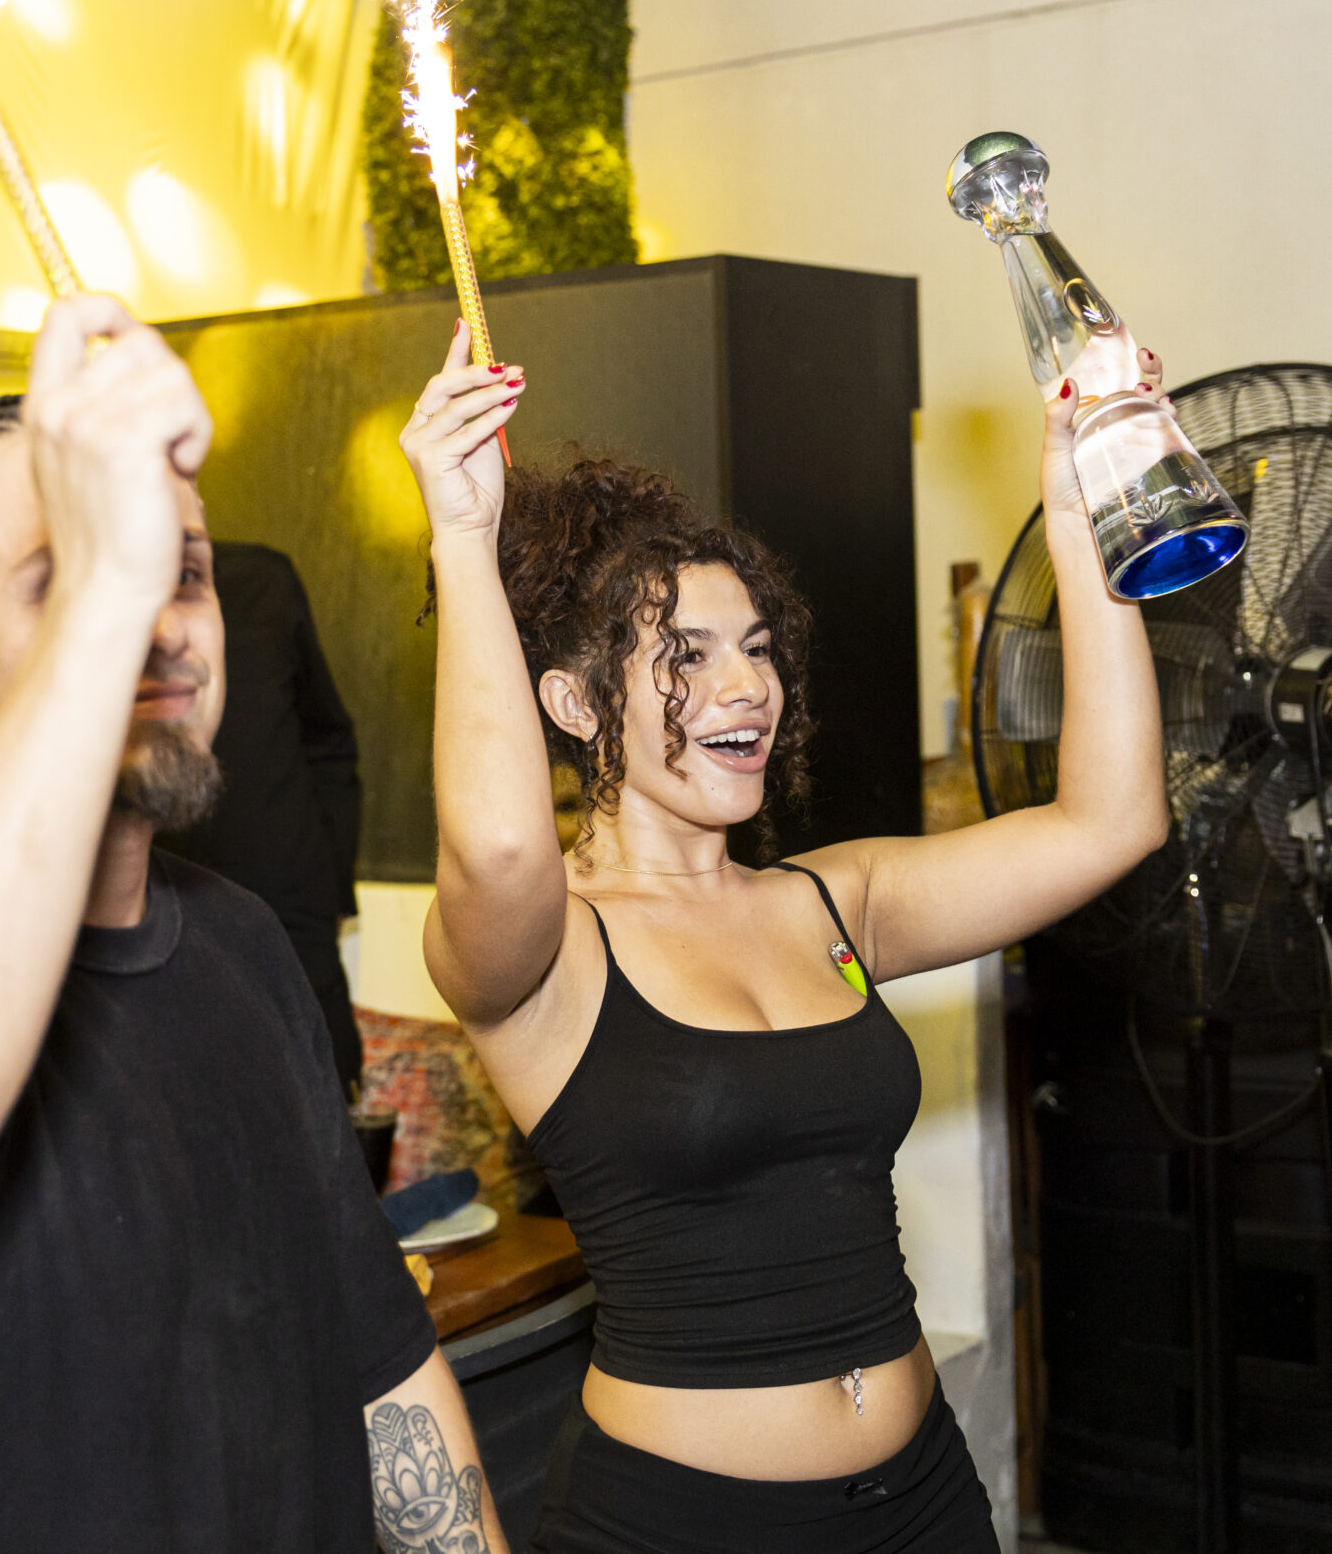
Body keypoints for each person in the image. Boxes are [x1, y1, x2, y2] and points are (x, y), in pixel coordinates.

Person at [0, 296, 507, 1554]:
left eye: (182, 571)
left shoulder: (245, 945)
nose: (160, 616)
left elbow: (381, 1367)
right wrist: (118, 591)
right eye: (72, 575)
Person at [399, 322, 1168, 1552]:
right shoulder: (544, 957)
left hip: (922, 1501)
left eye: (756, 650)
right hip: (683, 1523)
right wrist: (461, 539)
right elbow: (497, 850)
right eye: (686, 657)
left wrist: (1078, 521)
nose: (747, 687)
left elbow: (1112, 819)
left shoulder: (831, 902)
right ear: (575, 701)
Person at [161, 540, 367, 1096]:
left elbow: (329, 742)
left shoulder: (262, 580)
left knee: (326, 1094)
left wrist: (326, 892)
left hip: (290, 915)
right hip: (168, 923)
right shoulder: (89, 595)